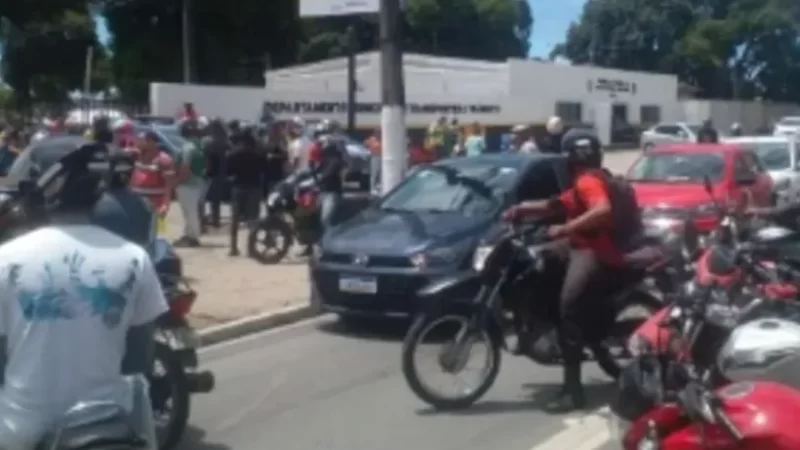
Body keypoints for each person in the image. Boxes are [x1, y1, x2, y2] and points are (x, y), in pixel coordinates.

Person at [0, 141, 167, 449]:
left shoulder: (7, 260)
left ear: (42, 189)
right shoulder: (134, 259)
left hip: (22, 431)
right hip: (108, 427)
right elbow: (138, 360)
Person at [502, 129, 644, 412]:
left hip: (596, 251)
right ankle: (540, 322)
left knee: (570, 307)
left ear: (571, 157)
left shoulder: (589, 181)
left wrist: (565, 228)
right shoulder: (587, 180)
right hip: (580, 244)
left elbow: (601, 210)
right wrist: (519, 210)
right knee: (539, 262)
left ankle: (573, 390)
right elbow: (554, 205)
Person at [225, 131, 267, 257]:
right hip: (254, 188)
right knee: (253, 219)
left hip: (238, 187)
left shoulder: (233, 155)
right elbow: (263, 172)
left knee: (235, 219)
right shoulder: (258, 155)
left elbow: (228, 173)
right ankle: (251, 249)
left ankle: (233, 247)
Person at [172, 120, 206, 247]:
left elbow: (185, 167)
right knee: (191, 211)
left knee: (190, 212)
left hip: (188, 184)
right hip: (198, 182)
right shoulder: (199, 146)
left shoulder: (187, 148)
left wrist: (178, 181)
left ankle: (193, 237)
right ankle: (189, 234)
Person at [129, 130, 176, 223]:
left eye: (141, 140)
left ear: (151, 141)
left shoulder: (163, 159)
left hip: (155, 203)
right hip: (137, 202)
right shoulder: (137, 155)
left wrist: (165, 205)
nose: (137, 142)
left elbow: (169, 184)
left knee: (156, 230)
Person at [309, 120, 346, 233]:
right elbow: (312, 167)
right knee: (315, 220)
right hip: (321, 190)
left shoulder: (336, 157)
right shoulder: (320, 158)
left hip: (332, 190)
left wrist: (321, 176)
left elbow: (335, 167)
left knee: (325, 221)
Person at [201, 119, 229, 229]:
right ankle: (215, 219)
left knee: (212, 199)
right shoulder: (226, 143)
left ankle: (214, 220)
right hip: (224, 173)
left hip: (213, 174)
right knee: (217, 199)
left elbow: (207, 160)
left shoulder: (211, 144)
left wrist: (206, 172)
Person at [364, 128, 381, 194]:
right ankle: (372, 188)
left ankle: (379, 187)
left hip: (381, 157)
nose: (379, 133)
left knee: (380, 173)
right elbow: (365, 144)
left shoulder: (382, 139)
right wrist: (369, 150)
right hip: (374, 157)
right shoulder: (372, 139)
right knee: (374, 173)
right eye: (377, 132)